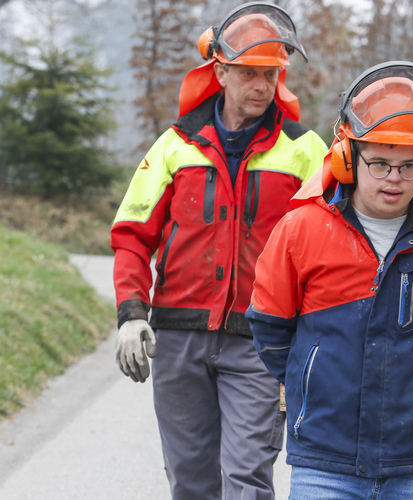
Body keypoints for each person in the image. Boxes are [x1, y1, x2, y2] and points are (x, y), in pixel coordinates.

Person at [246, 61, 413, 499]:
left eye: (409, 166)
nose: (394, 178)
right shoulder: (302, 229)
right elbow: (269, 323)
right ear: (348, 157)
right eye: (380, 163)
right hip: (324, 461)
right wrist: (311, 386)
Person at [110, 3, 327, 499]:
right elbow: (132, 235)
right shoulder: (174, 146)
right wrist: (130, 314)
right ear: (221, 71)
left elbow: (335, 247)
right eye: (249, 73)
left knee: (248, 477)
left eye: (270, 75)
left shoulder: (304, 151)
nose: (261, 86)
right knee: (190, 481)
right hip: (178, 339)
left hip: (260, 343)